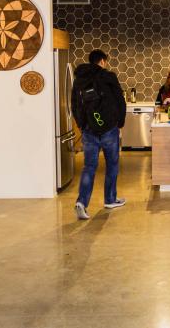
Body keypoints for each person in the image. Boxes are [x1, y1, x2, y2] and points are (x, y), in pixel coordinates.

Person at [71, 49, 127, 220]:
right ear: (102, 61)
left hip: (89, 129)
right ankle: (110, 199)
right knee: (112, 165)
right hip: (109, 128)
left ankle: (82, 202)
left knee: (89, 167)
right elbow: (120, 99)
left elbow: (75, 104)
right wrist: (120, 122)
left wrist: (82, 125)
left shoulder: (80, 79)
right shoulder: (108, 76)